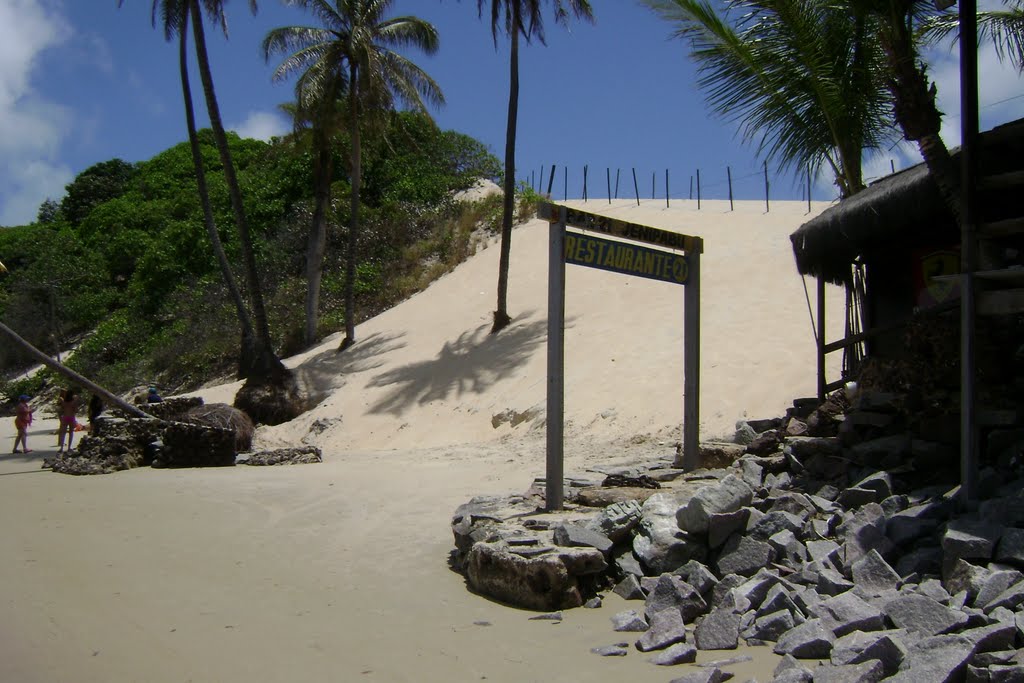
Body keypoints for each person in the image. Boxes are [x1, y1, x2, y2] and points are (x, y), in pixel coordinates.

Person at [57, 388, 81, 453]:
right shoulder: (73, 402)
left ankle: (61, 448)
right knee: (71, 433)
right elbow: (76, 410)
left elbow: (62, 409)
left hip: (65, 417)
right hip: (71, 417)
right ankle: (69, 448)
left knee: (63, 433)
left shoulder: (64, 402)